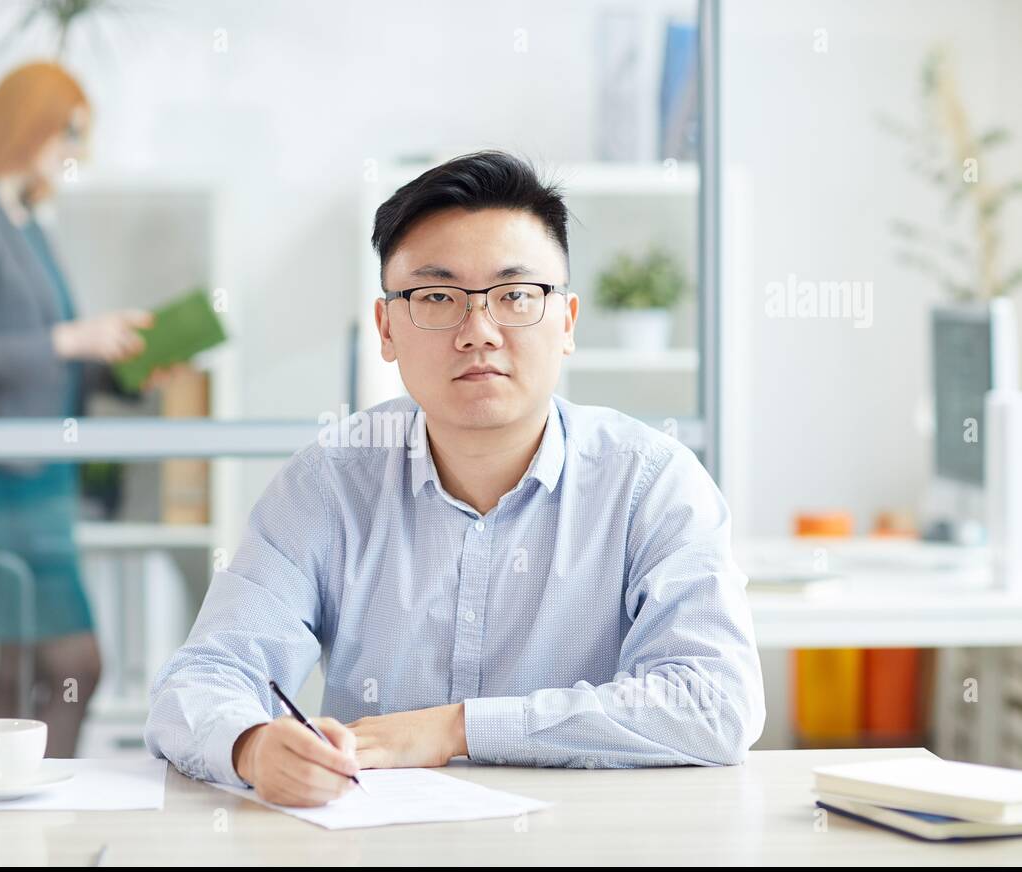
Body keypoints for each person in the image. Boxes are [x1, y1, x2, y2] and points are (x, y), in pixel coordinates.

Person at [144, 150, 766, 805]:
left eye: (515, 296)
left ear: (567, 323)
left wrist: (455, 729)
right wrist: (252, 746)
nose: (479, 331)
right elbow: (202, 678)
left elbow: (715, 702)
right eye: (437, 297)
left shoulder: (651, 483)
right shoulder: (328, 483)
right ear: (386, 328)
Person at [0, 62, 167, 757]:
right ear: (26, 124)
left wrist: (125, 362)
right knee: (74, 662)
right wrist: (71, 338)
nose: (75, 151)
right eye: (69, 132)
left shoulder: (22, 219)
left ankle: (4, 831)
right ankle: (39, 807)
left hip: (38, 471)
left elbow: (52, 352)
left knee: (19, 666)